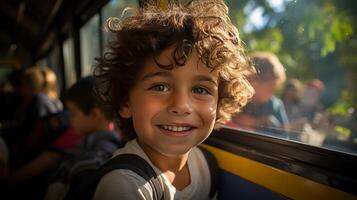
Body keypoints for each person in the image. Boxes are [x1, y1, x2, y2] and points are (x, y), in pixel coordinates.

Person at [93, 0, 255, 199]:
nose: (181, 106)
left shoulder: (206, 165)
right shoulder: (124, 185)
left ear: (219, 102)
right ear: (126, 102)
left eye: (200, 89)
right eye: (160, 87)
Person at [44, 77, 122, 200]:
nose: (70, 120)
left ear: (95, 114)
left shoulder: (95, 157)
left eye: (73, 114)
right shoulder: (90, 143)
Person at [231, 52, 288, 135]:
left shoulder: (275, 105)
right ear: (254, 81)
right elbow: (228, 118)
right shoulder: (236, 97)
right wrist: (258, 122)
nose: (273, 92)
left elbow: (284, 134)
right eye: (270, 88)